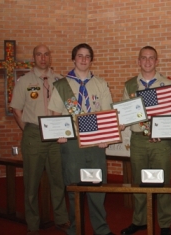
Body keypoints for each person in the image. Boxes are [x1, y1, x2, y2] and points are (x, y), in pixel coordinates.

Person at [48, 43, 115, 235]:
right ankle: (75, 228)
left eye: (87, 56)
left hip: (95, 143)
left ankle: (101, 229)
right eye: (80, 56)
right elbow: (54, 113)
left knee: (97, 186)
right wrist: (57, 133)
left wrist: (106, 138)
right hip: (71, 143)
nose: (84, 59)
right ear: (74, 59)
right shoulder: (62, 84)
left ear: (91, 60)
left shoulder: (100, 84)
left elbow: (107, 113)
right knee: (73, 186)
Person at [120, 46, 171, 235]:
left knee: (162, 182)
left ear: (157, 61)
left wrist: (165, 131)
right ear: (138, 61)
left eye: (151, 58)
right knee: (139, 182)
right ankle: (140, 220)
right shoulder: (130, 85)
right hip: (138, 140)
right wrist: (120, 121)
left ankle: (164, 224)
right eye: (144, 58)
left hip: (161, 141)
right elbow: (125, 113)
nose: (147, 61)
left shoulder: (168, 84)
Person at [10, 44, 70, 235]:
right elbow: (16, 110)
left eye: (46, 54)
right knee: (31, 182)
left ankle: (61, 219)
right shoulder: (24, 81)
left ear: (50, 57)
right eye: (39, 55)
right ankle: (33, 224)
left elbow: (69, 107)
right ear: (34, 57)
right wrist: (28, 129)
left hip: (56, 135)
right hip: (34, 134)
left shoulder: (60, 80)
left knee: (58, 179)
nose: (43, 58)